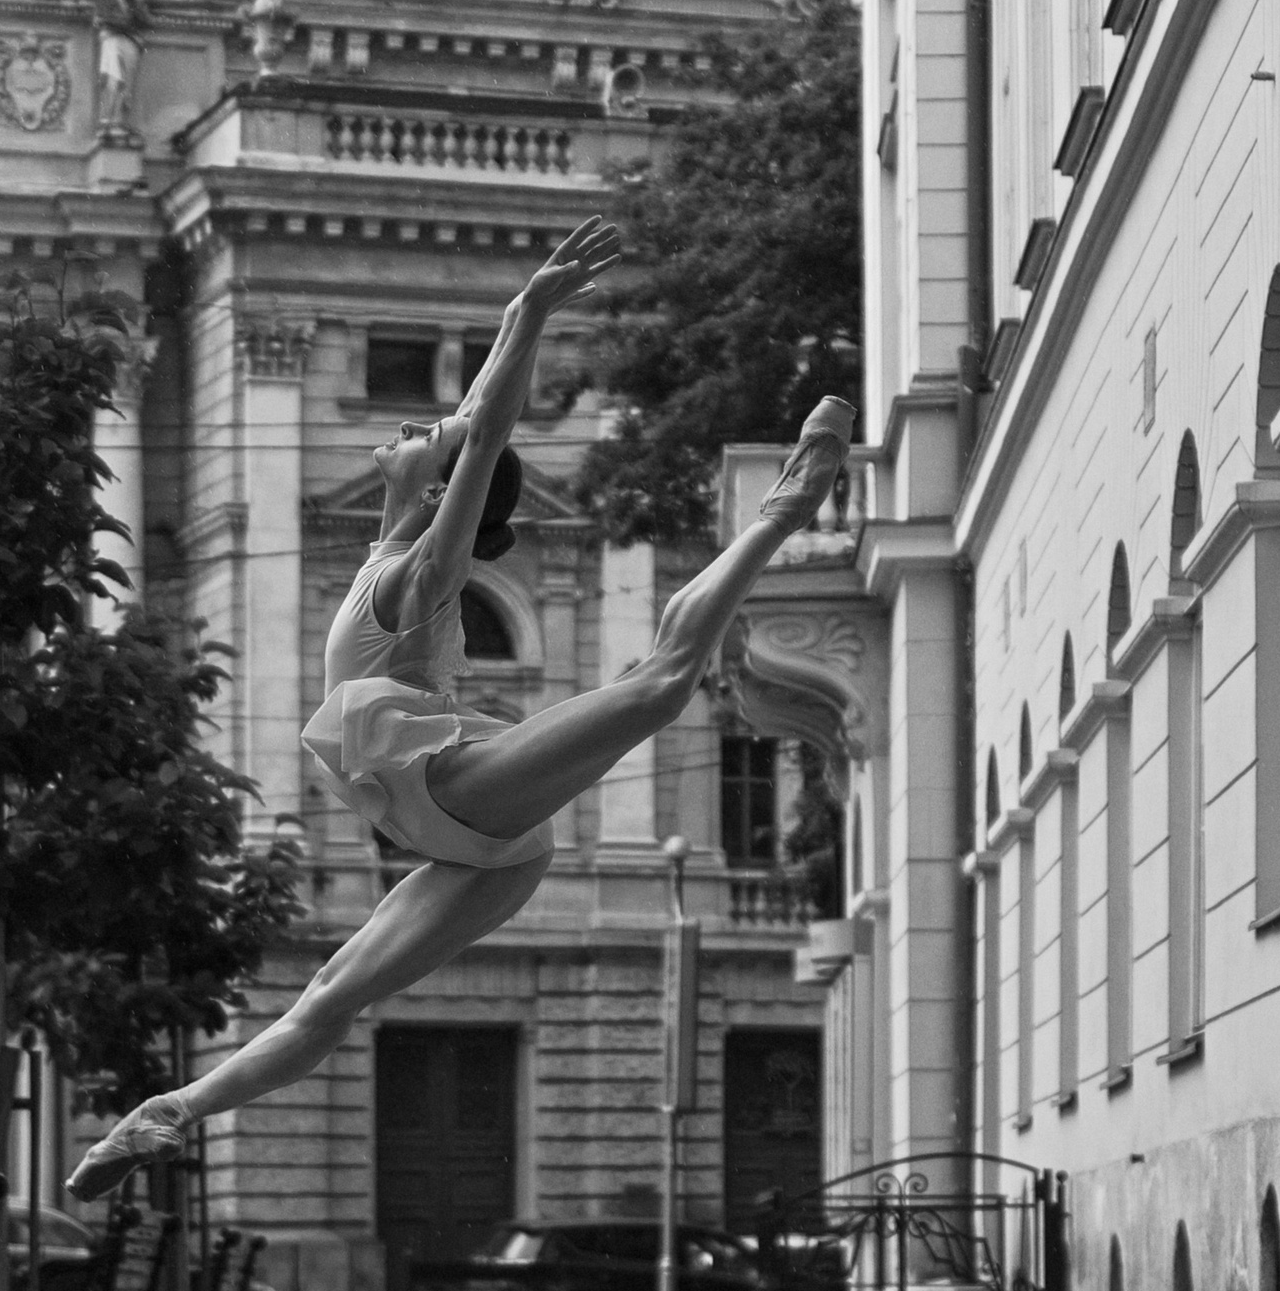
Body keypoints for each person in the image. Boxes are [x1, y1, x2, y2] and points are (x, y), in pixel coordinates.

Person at [69, 218, 855, 1200]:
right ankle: (175, 1111)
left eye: (420, 442)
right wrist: (502, 343)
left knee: (656, 684)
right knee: (324, 998)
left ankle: (784, 507)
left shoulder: (419, 576)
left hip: (452, 805)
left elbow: (483, 427)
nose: (405, 431)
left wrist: (526, 311)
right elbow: (467, 422)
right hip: (449, 821)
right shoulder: (385, 550)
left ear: (443, 494)